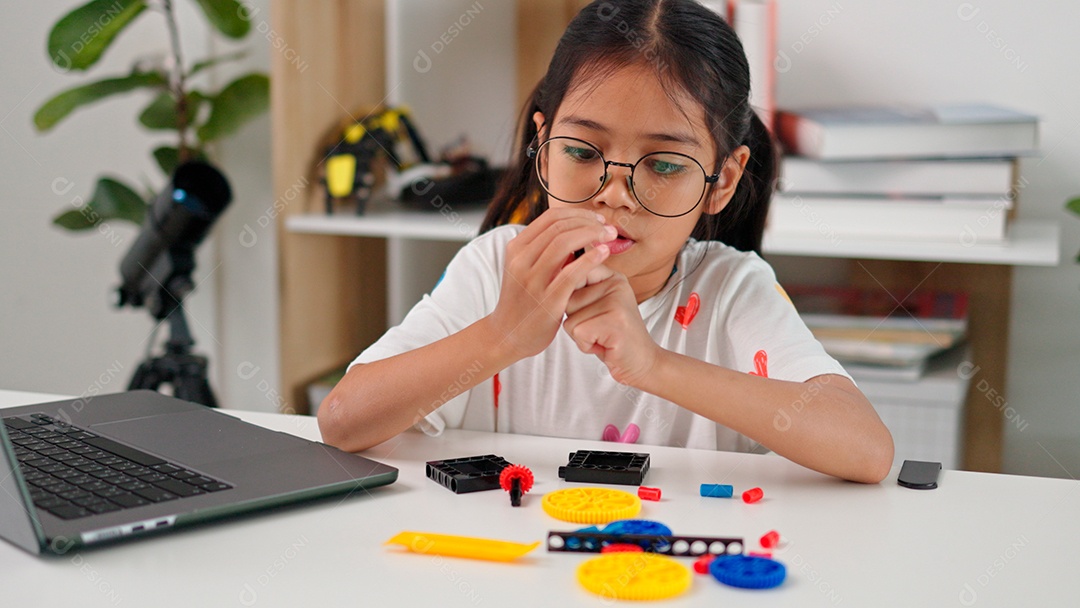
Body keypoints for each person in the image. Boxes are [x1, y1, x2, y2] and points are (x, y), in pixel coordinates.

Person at [319, 0, 894, 483]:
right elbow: (342, 421)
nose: (613, 195)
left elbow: (866, 450)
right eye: (581, 152)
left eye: (665, 164)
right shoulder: (496, 267)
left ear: (722, 179)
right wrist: (501, 335)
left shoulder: (731, 289)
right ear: (543, 142)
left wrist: (652, 365)